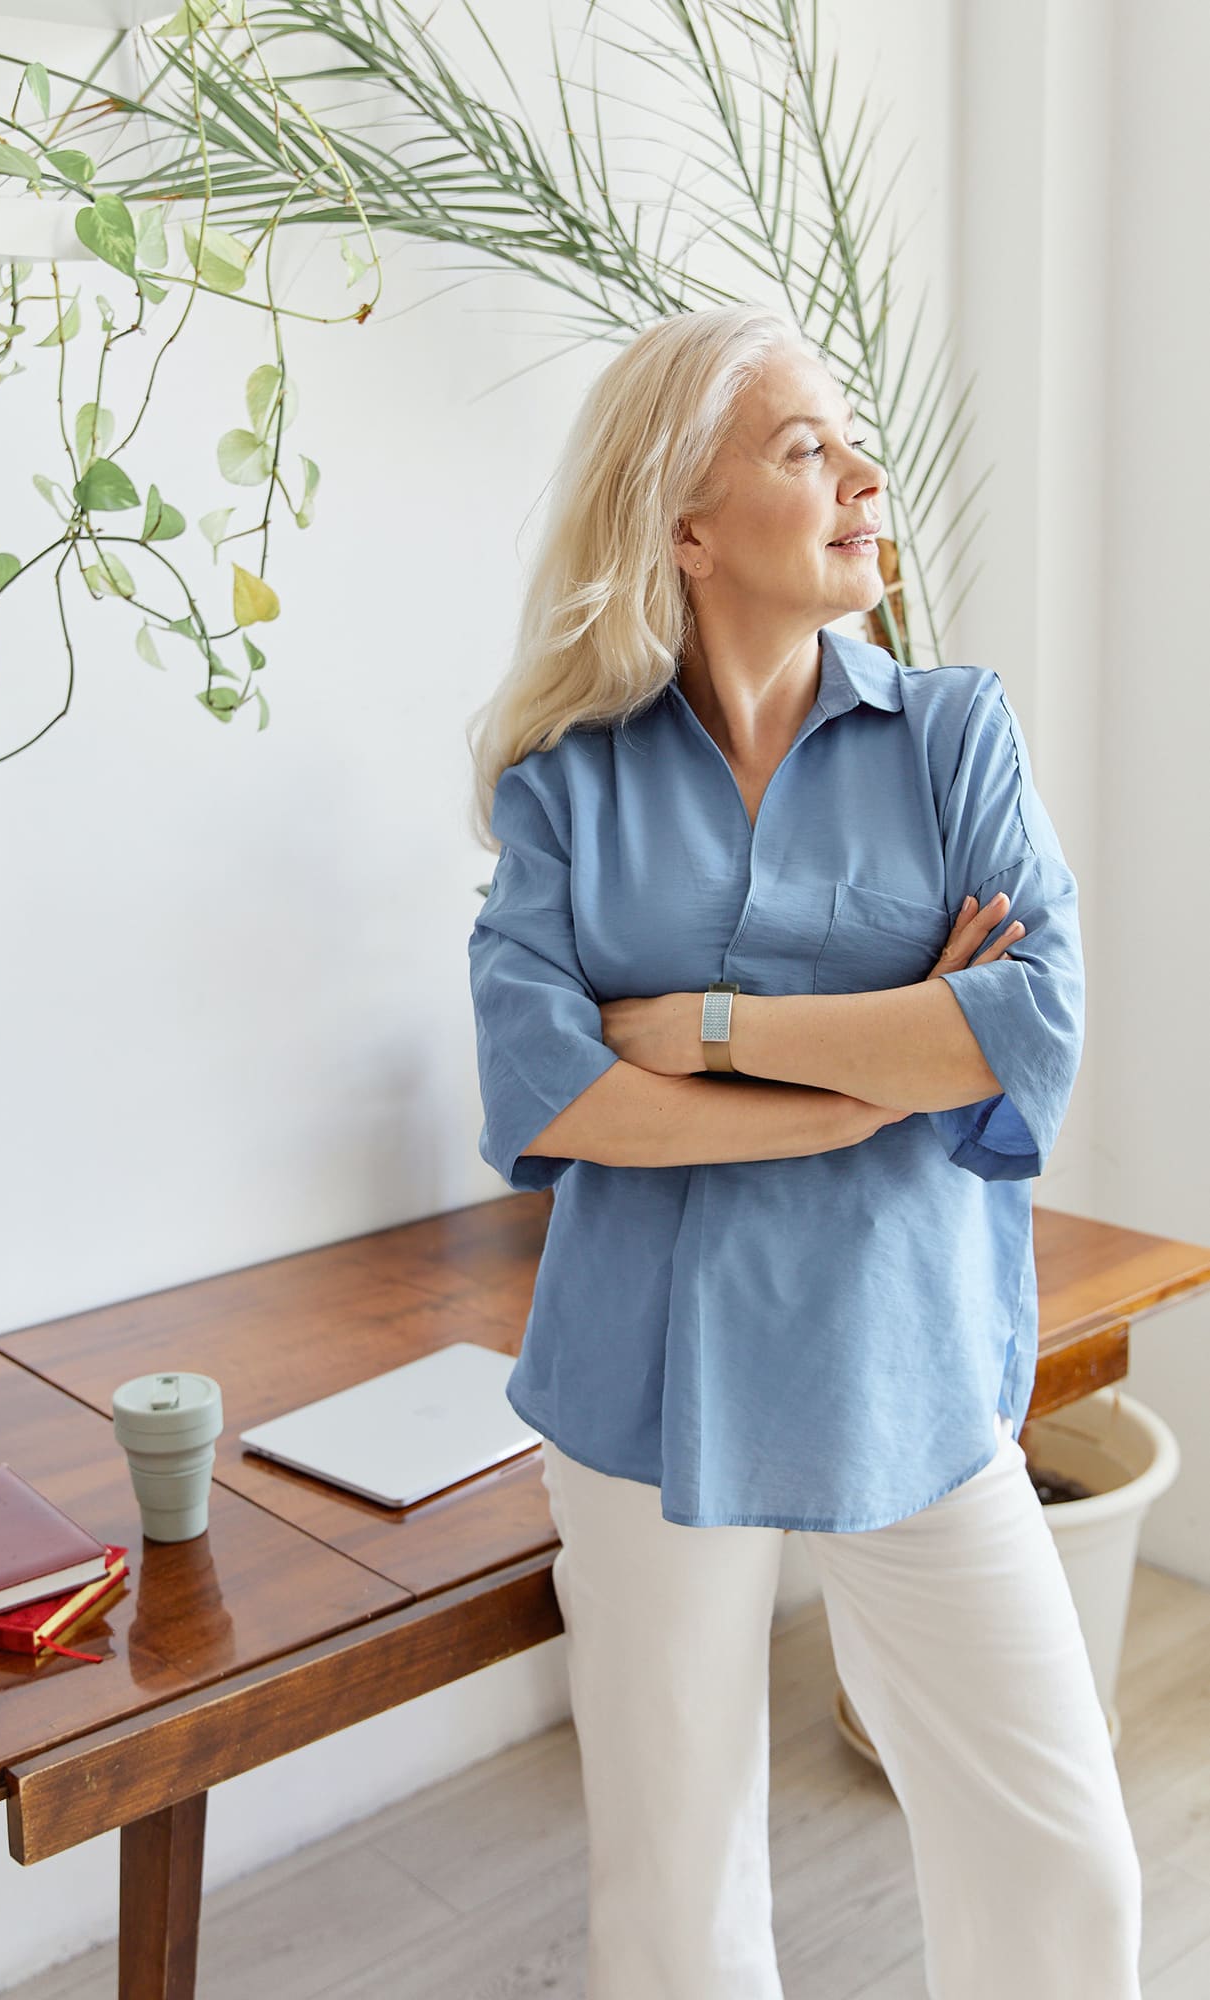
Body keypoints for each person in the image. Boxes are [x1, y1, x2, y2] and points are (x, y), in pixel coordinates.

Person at [464, 303, 1142, 1999]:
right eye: (800, 449)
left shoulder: (951, 735)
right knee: (670, 1890)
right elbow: (547, 1091)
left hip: (903, 1362)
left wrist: (707, 1027)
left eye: (849, 441)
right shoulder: (565, 784)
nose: (859, 475)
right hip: (641, 1385)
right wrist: (871, 1074)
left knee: (1060, 1862)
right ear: (686, 530)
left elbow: (1025, 1026)